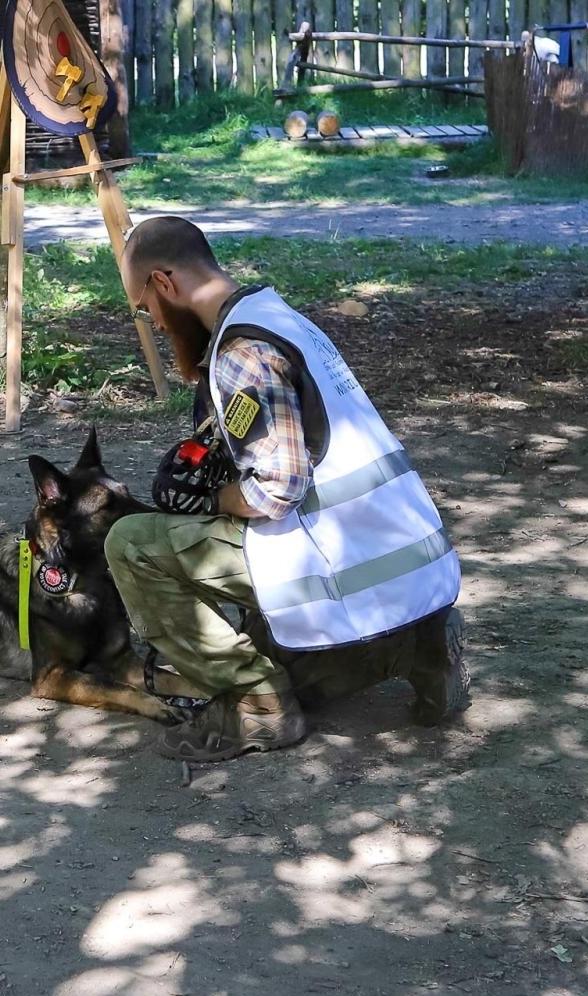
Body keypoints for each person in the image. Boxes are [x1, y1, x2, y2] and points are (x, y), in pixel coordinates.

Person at [103, 216, 469, 762]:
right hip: (408, 558)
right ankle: (423, 649)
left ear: (164, 283)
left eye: (144, 307)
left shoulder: (241, 353)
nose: (152, 321)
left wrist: (212, 498)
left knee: (130, 542)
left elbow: (276, 489)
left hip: (337, 560)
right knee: (302, 667)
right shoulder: (276, 317)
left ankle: (256, 704)